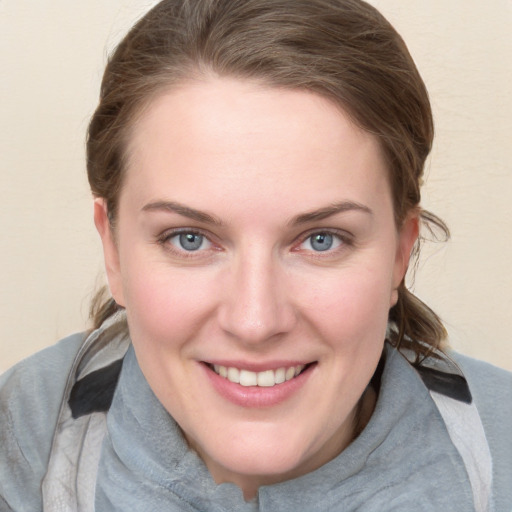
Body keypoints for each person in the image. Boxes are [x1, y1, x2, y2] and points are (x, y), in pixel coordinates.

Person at [0, 0, 510, 510]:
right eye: (189, 239)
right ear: (112, 250)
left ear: (400, 251)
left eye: (321, 239)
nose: (255, 321)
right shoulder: (23, 437)